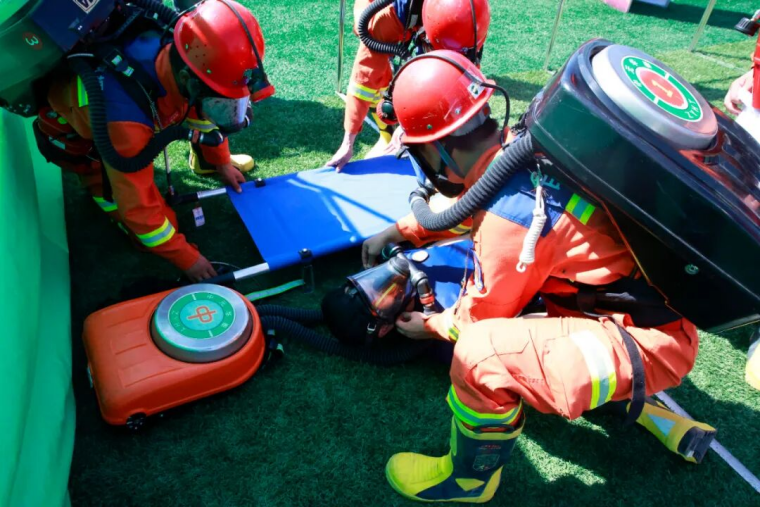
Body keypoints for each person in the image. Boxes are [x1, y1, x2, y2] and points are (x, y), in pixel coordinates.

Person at [363, 50, 716, 503]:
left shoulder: (511, 217)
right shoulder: (524, 149)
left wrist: (428, 324)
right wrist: (401, 230)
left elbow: (476, 317)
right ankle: (641, 404)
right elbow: (474, 203)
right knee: (528, 323)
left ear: (436, 149)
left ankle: (470, 481)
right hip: (642, 318)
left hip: (646, 343)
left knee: (480, 354)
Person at [44, 0, 272, 282]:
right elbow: (138, 207)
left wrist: (221, 162)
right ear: (188, 80)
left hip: (134, 115)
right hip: (78, 141)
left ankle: (204, 163)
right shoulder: (124, 120)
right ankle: (101, 194)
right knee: (149, 229)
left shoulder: (186, 59)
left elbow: (200, 109)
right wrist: (187, 259)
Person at [326, 0, 491, 171]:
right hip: (383, 15)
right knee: (377, 70)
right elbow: (364, 78)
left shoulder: (472, 16)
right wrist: (348, 142)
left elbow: (463, 73)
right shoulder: (389, 14)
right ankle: (386, 133)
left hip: (433, 21)